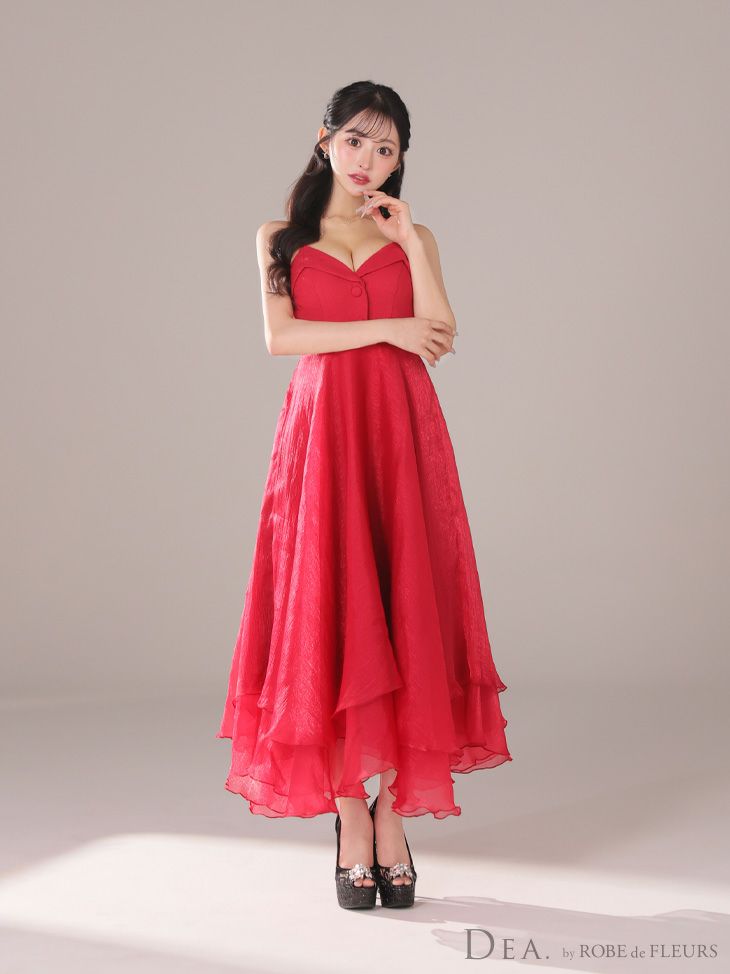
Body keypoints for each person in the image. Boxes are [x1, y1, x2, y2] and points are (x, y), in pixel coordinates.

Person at [216, 80, 512, 910]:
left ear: (400, 160)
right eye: (355, 141)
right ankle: (350, 814)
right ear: (324, 141)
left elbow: (440, 332)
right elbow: (281, 337)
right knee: (331, 603)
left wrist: (409, 242)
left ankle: (391, 815)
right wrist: (387, 327)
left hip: (400, 430)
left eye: (387, 149)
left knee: (405, 599)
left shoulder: (413, 235)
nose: (368, 160)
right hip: (324, 434)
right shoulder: (281, 235)